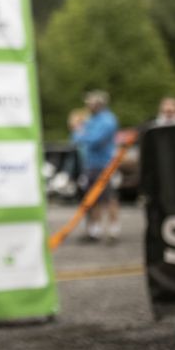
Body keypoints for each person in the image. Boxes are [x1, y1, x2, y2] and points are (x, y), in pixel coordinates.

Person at [71, 90, 120, 242]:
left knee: (109, 198)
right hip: (90, 164)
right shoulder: (91, 120)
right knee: (93, 198)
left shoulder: (108, 120)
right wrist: (80, 132)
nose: (88, 106)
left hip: (106, 165)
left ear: (99, 104)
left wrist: (80, 131)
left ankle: (113, 230)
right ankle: (95, 230)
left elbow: (94, 140)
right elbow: (75, 138)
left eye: (90, 103)